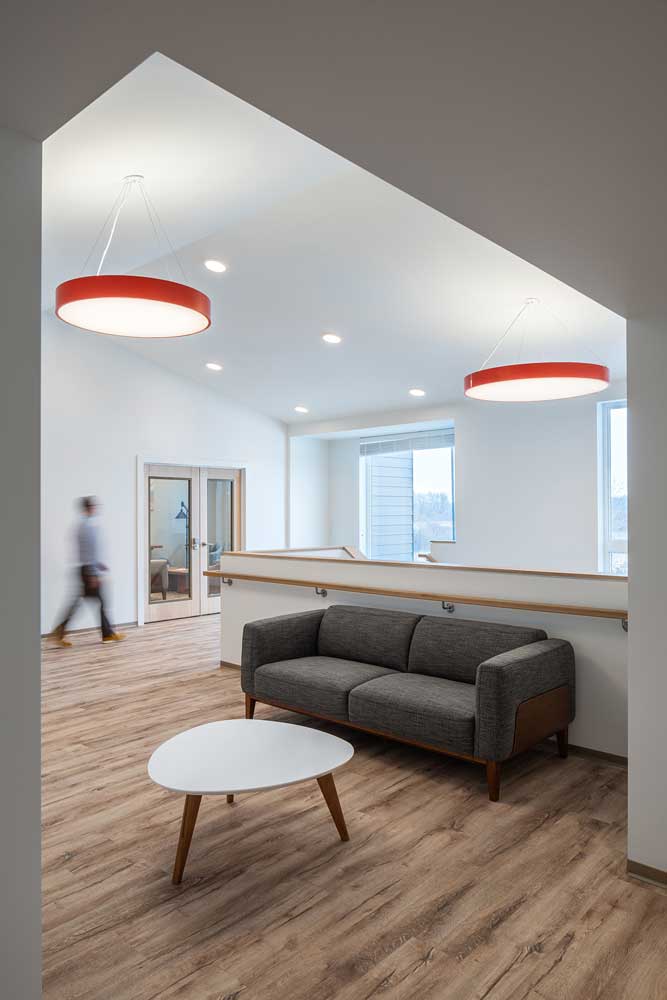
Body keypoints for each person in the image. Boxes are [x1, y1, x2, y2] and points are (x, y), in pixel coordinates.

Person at [50, 496, 125, 646]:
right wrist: (92, 573)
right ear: (89, 508)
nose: (95, 509)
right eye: (93, 506)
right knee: (98, 602)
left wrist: (98, 565)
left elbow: (88, 551)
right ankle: (107, 634)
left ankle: (61, 632)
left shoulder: (82, 525)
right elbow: (88, 552)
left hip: (86, 569)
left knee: (84, 602)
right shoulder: (87, 527)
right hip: (88, 571)